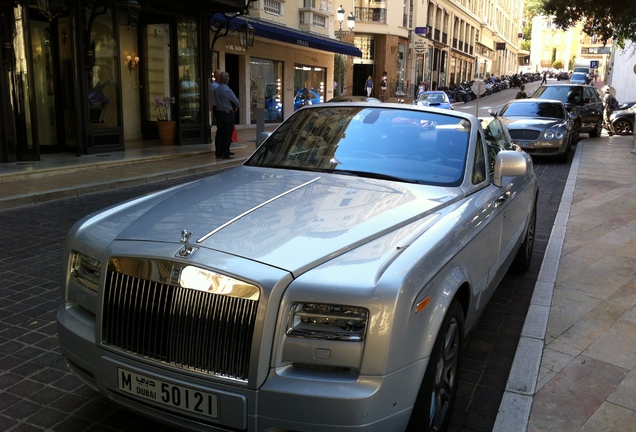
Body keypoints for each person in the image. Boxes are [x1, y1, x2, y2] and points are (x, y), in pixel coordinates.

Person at [213, 72, 240, 159]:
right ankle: (225, 153)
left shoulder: (216, 90)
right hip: (228, 113)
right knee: (228, 134)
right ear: (227, 80)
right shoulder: (227, 90)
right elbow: (236, 101)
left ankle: (218, 152)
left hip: (219, 113)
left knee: (220, 133)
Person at [209, 70, 221, 151]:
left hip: (222, 108)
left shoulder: (221, 85)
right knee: (220, 128)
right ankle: (219, 149)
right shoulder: (214, 86)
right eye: (219, 75)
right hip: (217, 107)